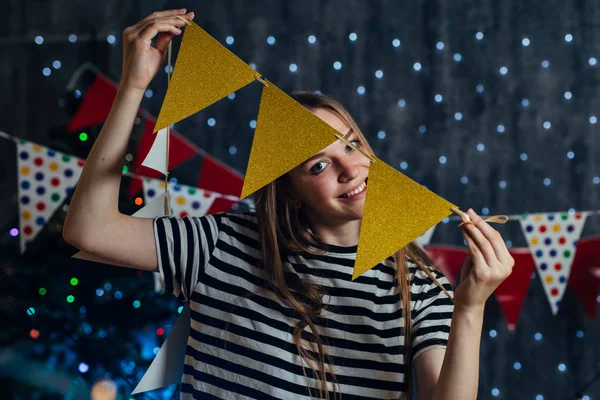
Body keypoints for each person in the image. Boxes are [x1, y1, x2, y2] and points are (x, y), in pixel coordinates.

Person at [63, 8, 515, 400]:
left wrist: (470, 306)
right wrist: (133, 86)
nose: (351, 168)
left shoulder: (417, 284)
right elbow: (89, 230)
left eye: (353, 146)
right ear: (292, 194)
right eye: (317, 166)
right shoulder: (224, 243)